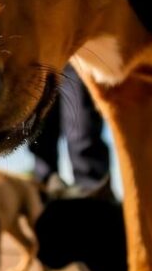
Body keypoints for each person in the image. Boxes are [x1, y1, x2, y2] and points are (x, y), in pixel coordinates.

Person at [29, 64, 112, 199]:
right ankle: (45, 192)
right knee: (41, 135)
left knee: (82, 128)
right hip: (38, 59)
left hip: (75, 58)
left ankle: (93, 197)